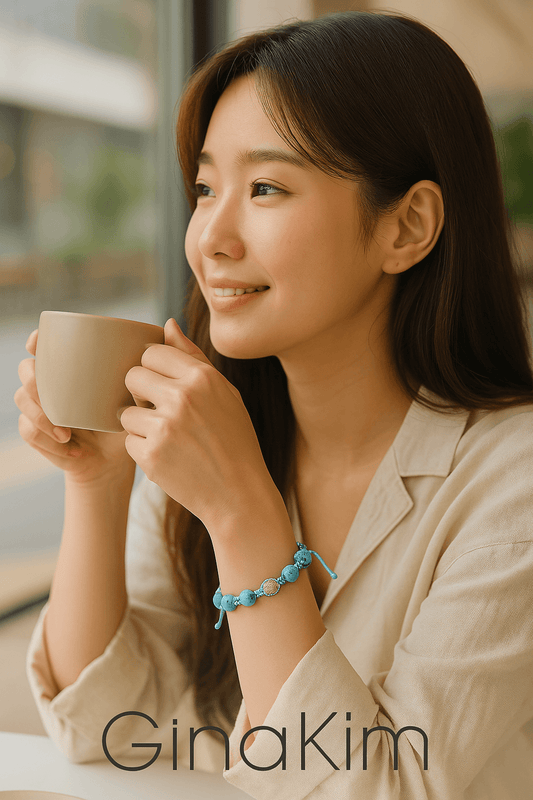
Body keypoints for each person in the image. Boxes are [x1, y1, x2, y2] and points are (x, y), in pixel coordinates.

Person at [15, 10, 533, 799]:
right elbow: (103, 729)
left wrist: (242, 512)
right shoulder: (212, 437)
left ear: (408, 226)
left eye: (264, 187)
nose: (209, 237)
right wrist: (98, 485)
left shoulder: (512, 482)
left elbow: (384, 791)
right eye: (202, 188)